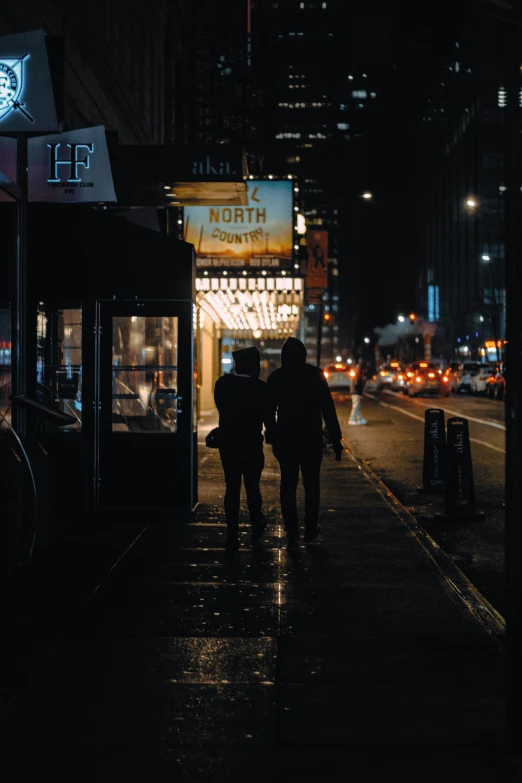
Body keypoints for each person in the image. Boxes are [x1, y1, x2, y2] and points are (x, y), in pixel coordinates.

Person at [266, 337, 343, 550]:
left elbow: (269, 411)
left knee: (287, 486)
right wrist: (336, 440)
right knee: (312, 485)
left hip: (286, 439)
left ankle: (292, 532)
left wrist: (271, 433)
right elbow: (328, 409)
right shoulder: (315, 375)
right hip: (310, 438)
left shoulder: (276, 377)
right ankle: (310, 528)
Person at [214, 346, 271, 553]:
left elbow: (220, 407)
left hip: (229, 444)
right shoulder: (262, 388)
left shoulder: (222, 384)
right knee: (252, 486)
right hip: (251, 444)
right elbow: (268, 420)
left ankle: (232, 534)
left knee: (232, 486)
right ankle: (256, 524)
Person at [348, 361, 367, 425]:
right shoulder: (358, 375)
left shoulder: (357, 375)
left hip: (355, 392)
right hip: (356, 393)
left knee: (357, 406)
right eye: (364, 370)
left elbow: (360, 385)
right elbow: (357, 385)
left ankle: (360, 419)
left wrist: (364, 381)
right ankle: (351, 419)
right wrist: (360, 393)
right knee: (355, 406)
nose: (364, 371)